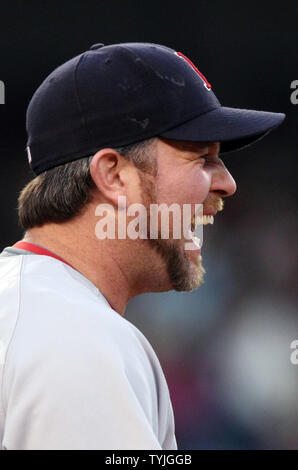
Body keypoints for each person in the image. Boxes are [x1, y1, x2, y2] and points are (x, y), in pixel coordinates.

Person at [0, 42, 285, 450]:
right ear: (113, 175)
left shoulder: (36, 307)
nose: (227, 183)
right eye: (202, 157)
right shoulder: (77, 336)